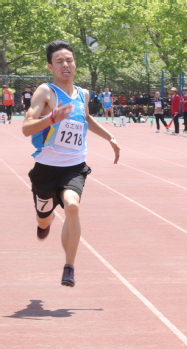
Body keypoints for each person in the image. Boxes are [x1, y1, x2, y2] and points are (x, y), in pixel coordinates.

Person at [22, 40, 120, 287]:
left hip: (74, 166)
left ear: (75, 64)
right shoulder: (46, 92)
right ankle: (43, 222)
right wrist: (51, 118)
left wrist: (110, 137)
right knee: (44, 219)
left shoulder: (83, 93)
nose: (65, 65)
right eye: (59, 61)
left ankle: (69, 267)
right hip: (46, 169)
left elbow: (86, 118)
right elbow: (26, 128)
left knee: (72, 207)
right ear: (50, 66)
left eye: (69, 60)